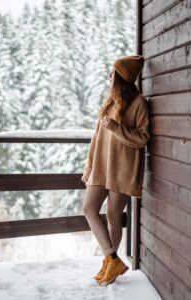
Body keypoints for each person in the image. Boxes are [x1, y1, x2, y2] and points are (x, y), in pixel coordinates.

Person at [81, 55, 150, 286]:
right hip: (100, 168)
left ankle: (109, 264)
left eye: (113, 72)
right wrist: (89, 167)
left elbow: (142, 138)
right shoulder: (110, 101)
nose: (109, 76)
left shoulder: (139, 103)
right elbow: (96, 139)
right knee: (89, 209)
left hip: (122, 169)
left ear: (121, 77)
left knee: (112, 216)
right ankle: (112, 258)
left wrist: (118, 128)